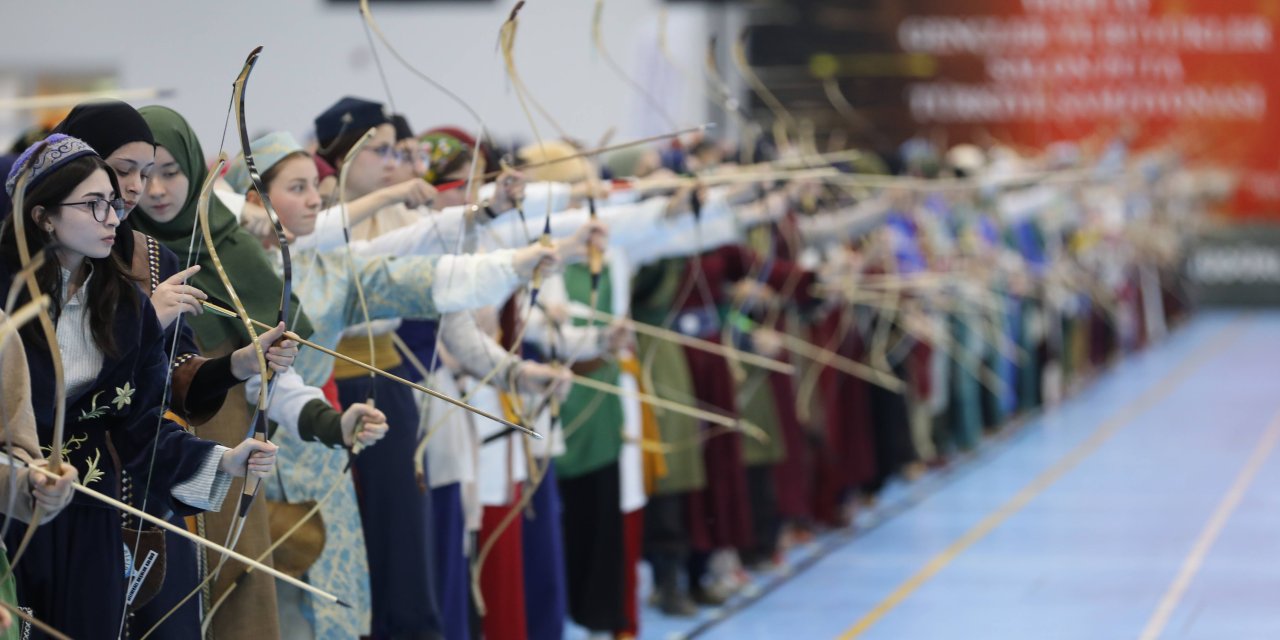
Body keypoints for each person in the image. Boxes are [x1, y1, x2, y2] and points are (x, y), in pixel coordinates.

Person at [0, 133, 277, 639]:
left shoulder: (125, 308)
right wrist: (22, 478)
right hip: (9, 515)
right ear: (42, 217)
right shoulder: (7, 304)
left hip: (92, 514)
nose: (112, 216)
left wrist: (224, 461)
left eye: (112, 202)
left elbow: (140, 429)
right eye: (92, 204)